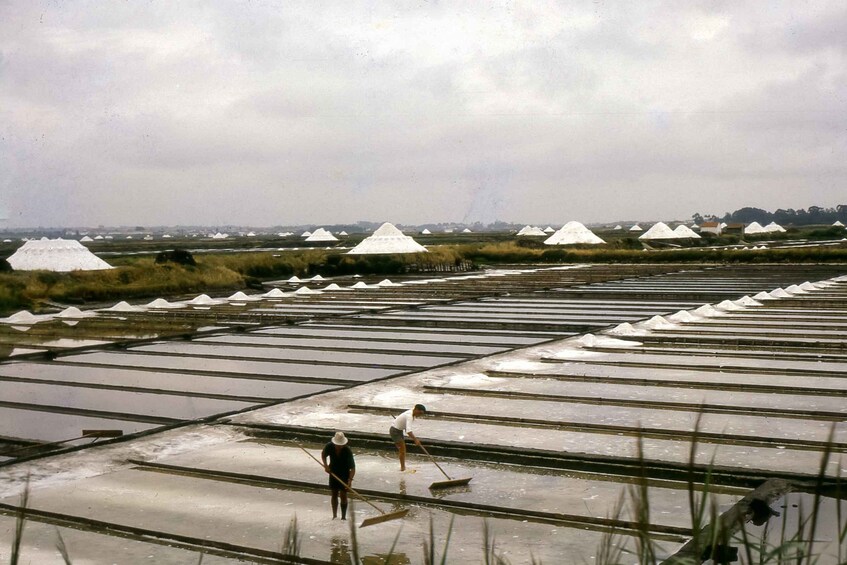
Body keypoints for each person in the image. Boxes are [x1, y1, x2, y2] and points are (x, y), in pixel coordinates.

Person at [321, 431, 356, 520]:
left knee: (343, 495)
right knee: (334, 493)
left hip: (344, 473)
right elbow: (323, 454)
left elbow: (352, 468)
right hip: (333, 471)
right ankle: (334, 515)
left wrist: (350, 480)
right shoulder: (329, 446)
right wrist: (326, 465)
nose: (339, 447)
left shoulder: (347, 451)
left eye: (341, 445)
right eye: (337, 445)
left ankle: (343, 517)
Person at [389, 404, 426, 471]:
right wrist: (415, 440)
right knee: (402, 450)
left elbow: (407, 428)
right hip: (395, 431)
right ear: (416, 409)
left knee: (402, 449)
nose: (420, 415)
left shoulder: (412, 414)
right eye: (420, 413)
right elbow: (408, 431)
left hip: (399, 430)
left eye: (421, 414)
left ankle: (402, 466)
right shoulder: (409, 416)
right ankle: (402, 468)